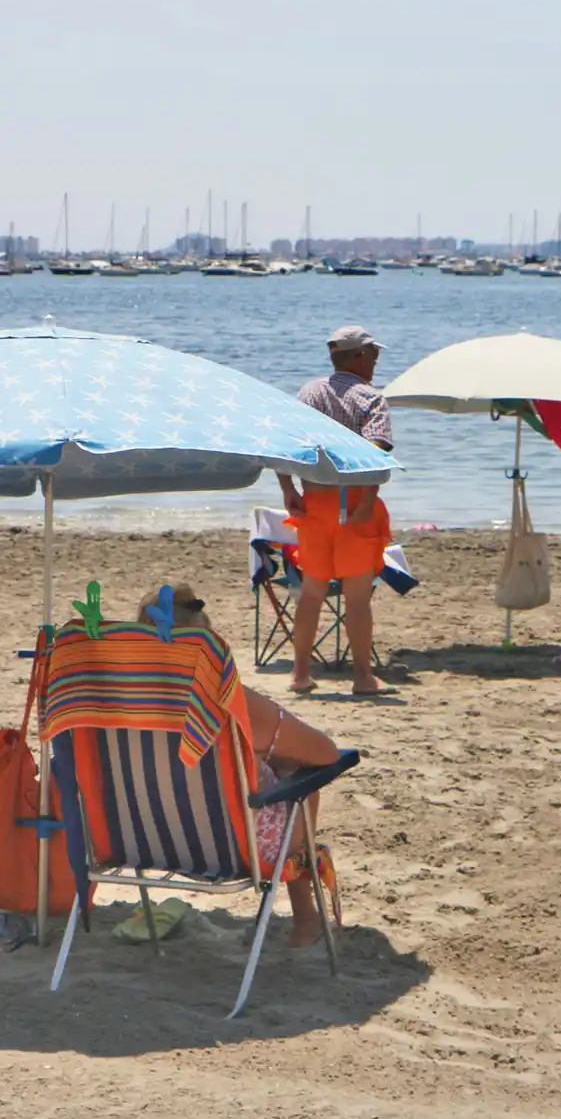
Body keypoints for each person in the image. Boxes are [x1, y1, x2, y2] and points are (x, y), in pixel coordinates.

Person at [138, 585, 345, 947]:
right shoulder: (229, 700)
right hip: (236, 846)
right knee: (299, 776)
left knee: (264, 765)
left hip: (143, 839)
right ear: (211, 641)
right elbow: (326, 753)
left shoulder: (109, 700)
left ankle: (307, 919)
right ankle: (305, 920)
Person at [277, 325, 394, 696]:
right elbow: (376, 452)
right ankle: (362, 676)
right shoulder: (370, 398)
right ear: (358, 356)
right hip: (356, 501)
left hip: (314, 501)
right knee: (357, 596)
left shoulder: (309, 392)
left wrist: (287, 489)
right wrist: (368, 497)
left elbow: (284, 442)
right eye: (373, 356)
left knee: (312, 592)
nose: (375, 364)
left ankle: (299, 674)